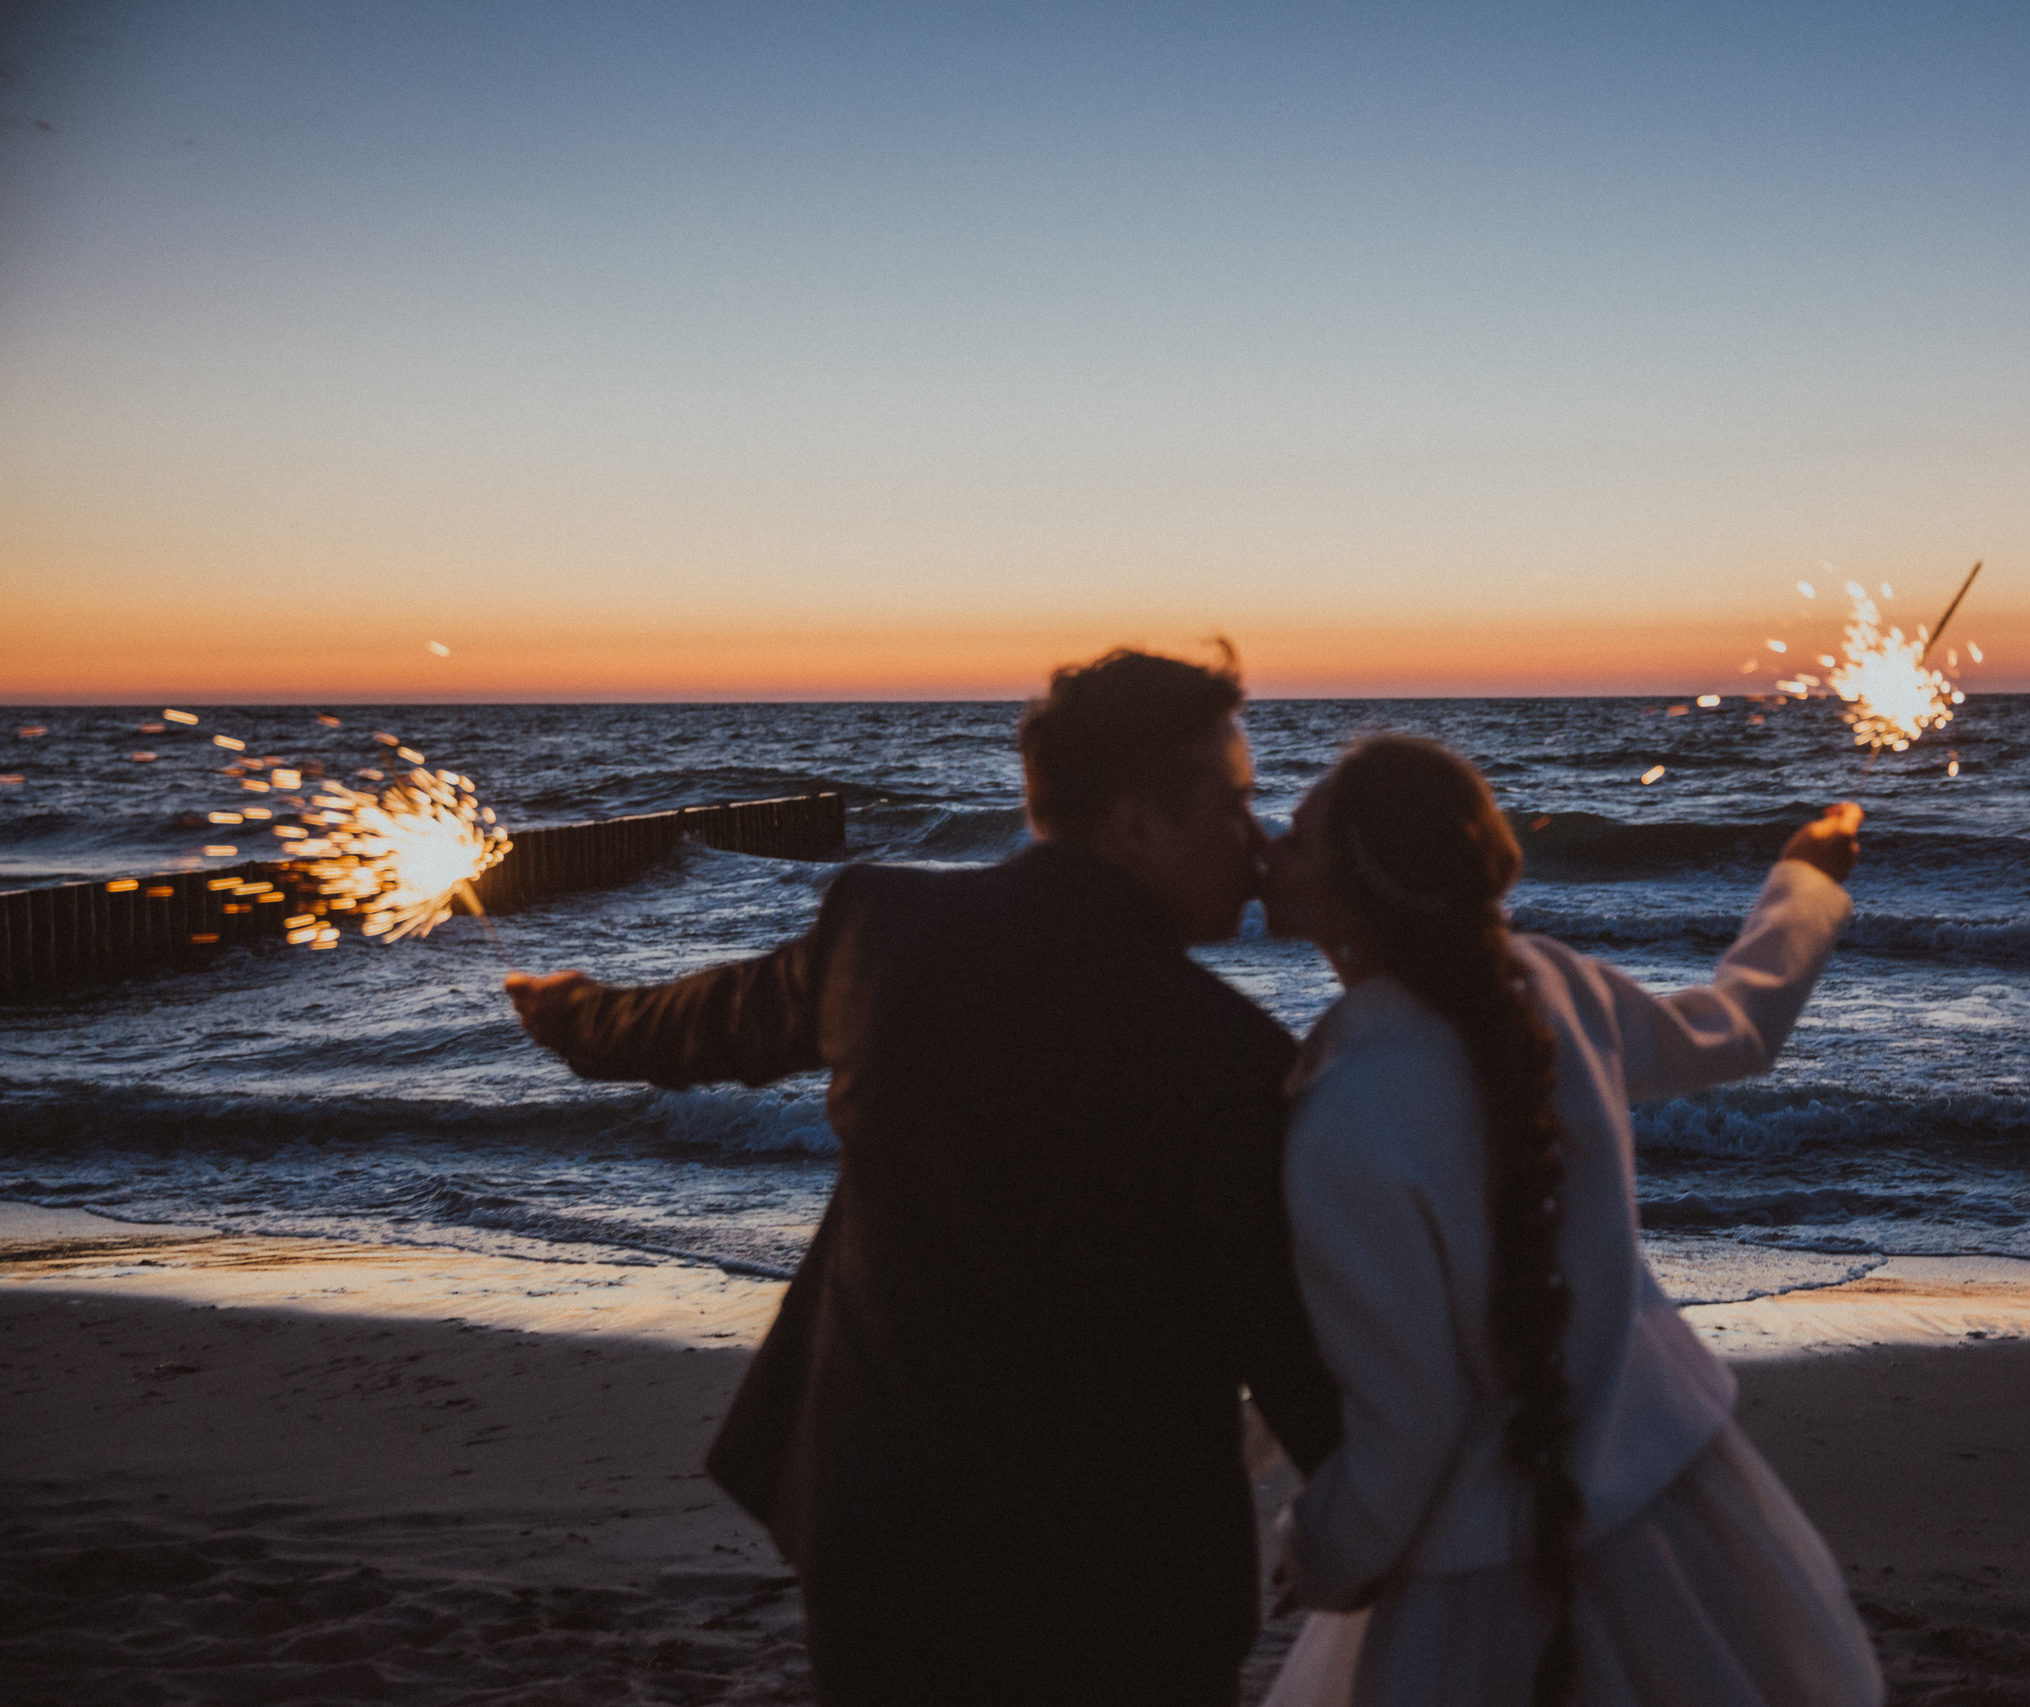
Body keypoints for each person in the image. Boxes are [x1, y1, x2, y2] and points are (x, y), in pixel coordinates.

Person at [505, 646, 1341, 1707]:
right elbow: (1288, 1345)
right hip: (1120, 1593)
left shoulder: (884, 931)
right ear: (1137, 822)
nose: (1256, 842)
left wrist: (574, 1013)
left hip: (880, 1546)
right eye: (1234, 806)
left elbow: (706, 1022)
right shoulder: (1231, 1055)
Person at [1256, 735, 1882, 1707]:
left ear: (1354, 896)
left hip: (1474, 1576)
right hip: (1667, 1509)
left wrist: (1322, 1551)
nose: (1266, 848)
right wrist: (1803, 883)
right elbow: (1735, 1029)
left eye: (1296, 836)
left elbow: (1410, 1423)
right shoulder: (1552, 986)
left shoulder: (1344, 1115)